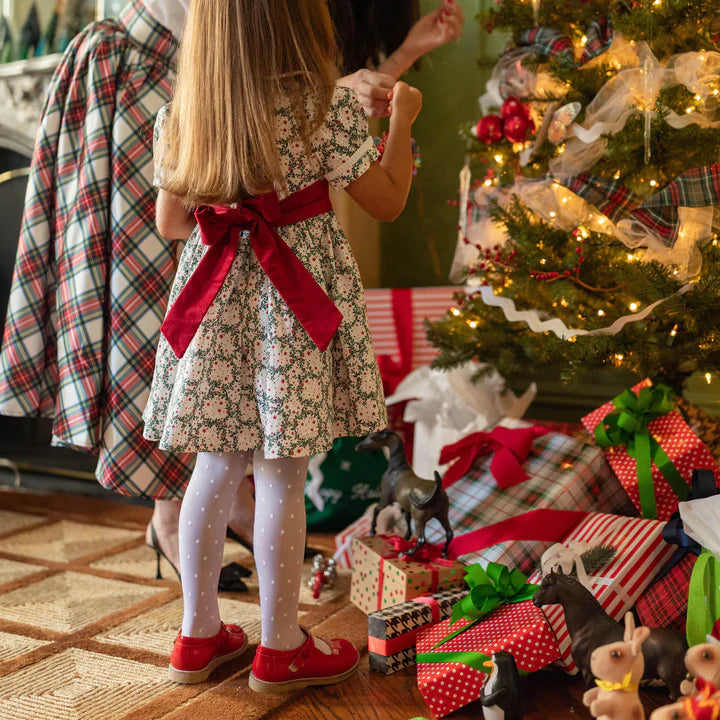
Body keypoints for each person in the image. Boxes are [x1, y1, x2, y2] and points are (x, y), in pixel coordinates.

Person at [143, 0, 422, 692]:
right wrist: (403, 124)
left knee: (214, 466)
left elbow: (173, 222)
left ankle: (198, 634)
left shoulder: (188, 109)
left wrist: (232, 212)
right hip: (286, 316)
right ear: (298, 22)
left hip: (215, 311)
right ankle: (280, 645)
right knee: (279, 475)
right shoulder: (318, 108)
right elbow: (386, 200)